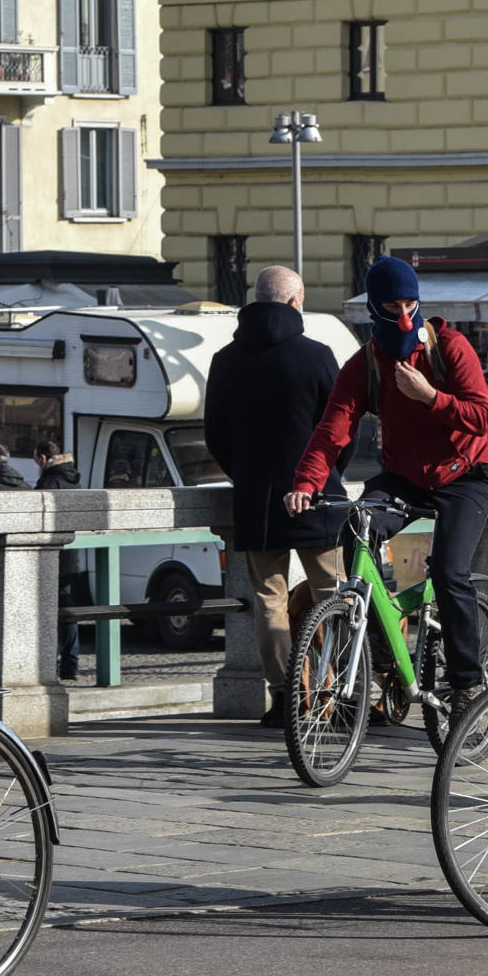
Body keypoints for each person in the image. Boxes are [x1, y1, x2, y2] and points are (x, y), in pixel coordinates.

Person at [285, 255, 488, 711]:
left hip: (466, 475)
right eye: (391, 307)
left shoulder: (450, 346)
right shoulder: (365, 365)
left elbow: (482, 418)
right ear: (373, 310)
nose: (403, 316)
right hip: (406, 478)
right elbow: (332, 430)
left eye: (409, 304)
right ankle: (385, 655)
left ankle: (468, 682)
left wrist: (430, 397)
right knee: (355, 529)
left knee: (448, 571)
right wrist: (305, 483)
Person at [206, 265, 344, 727]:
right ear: (294, 301)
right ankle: (334, 690)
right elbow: (340, 430)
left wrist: (246, 475)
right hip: (316, 497)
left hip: (257, 504)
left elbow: (215, 436)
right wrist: (325, 476)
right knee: (334, 595)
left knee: (269, 599)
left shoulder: (225, 360)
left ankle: (287, 695)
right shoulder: (317, 355)